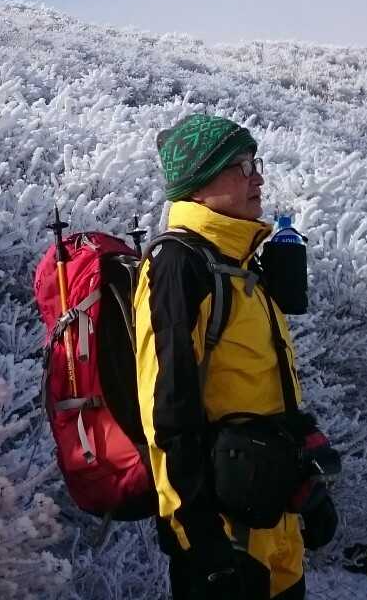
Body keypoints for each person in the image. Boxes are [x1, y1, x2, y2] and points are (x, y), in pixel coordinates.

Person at [134, 113, 308, 599]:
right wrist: (198, 539)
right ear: (198, 184)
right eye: (242, 166)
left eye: (256, 163)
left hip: (274, 522)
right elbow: (165, 412)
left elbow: (267, 390)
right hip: (223, 536)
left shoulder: (240, 264)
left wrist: (308, 473)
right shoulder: (177, 267)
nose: (258, 179)